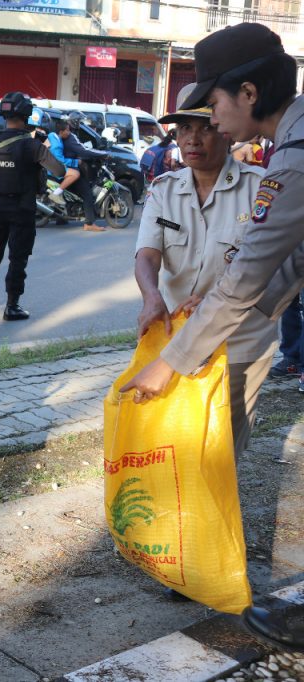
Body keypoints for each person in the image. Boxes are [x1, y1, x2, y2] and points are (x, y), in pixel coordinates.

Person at [120, 22, 304, 652]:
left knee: (223, 452)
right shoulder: (287, 147)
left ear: (248, 92)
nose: (209, 124)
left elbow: (252, 271)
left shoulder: (289, 159)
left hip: (236, 345)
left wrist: (170, 362)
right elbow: (286, 267)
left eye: (214, 105)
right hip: (210, 326)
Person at [133, 85, 273, 468]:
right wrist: (151, 297)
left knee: (220, 448)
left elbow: (273, 269)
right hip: (178, 335)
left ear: (224, 132)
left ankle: (215, 523)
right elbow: (147, 253)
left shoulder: (261, 188)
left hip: (240, 341)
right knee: (175, 438)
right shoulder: (164, 190)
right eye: (183, 129)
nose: (192, 139)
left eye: (204, 127)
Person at [0, 92, 65, 320]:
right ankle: (11, 306)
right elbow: (60, 171)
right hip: (22, 209)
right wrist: (43, 145)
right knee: (18, 258)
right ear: (26, 115)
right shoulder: (31, 146)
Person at [62, 111, 107, 232]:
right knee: (87, 193)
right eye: (80, 122)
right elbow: (83, 150)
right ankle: (89, 223)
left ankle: (61, 217)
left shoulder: (70, 134)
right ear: (75, 122)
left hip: (67, 166)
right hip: (69, 169)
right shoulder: (71, 136)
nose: (81, 124)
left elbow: (81, 148)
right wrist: (103, 154)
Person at [46, 118, 82, 201]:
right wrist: (76, 162)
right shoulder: (57, 145)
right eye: (68, 130)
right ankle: (56, 194)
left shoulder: (53, 136)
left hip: (48, 164)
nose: (69, 133)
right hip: (51, 168)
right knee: (75, 174)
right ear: (61, 132)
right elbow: (60, 161)